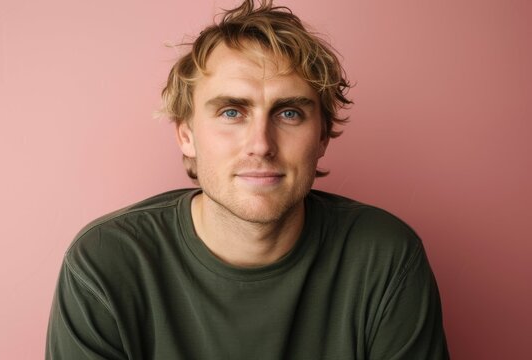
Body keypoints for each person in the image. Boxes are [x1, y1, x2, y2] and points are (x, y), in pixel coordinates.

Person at [46, 0, 449, 359]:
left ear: (323, 136)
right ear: (186, 135)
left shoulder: (385, 257)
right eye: (231, 112)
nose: (261, 145)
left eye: (289, 113)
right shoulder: (105, 263)